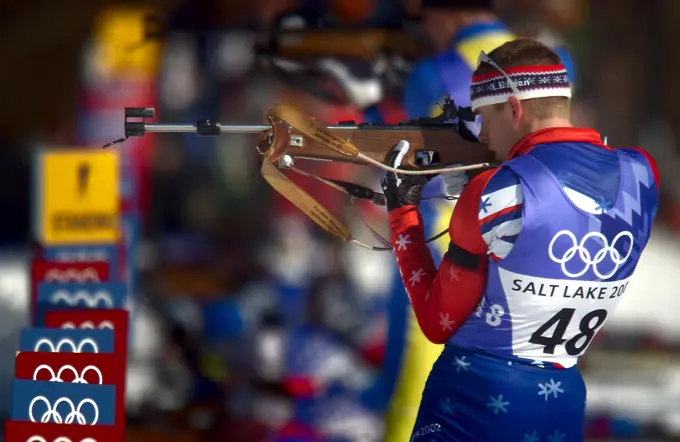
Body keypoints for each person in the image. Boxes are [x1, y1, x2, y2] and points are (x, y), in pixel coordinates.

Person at [381, 38, 659, 441]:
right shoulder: (642, 174)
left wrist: (402, 215)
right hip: (561, 399)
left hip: (474, 399)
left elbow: (436, 319)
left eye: (483, 119)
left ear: (513, 109)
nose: (482, 136)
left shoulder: (494, 191)